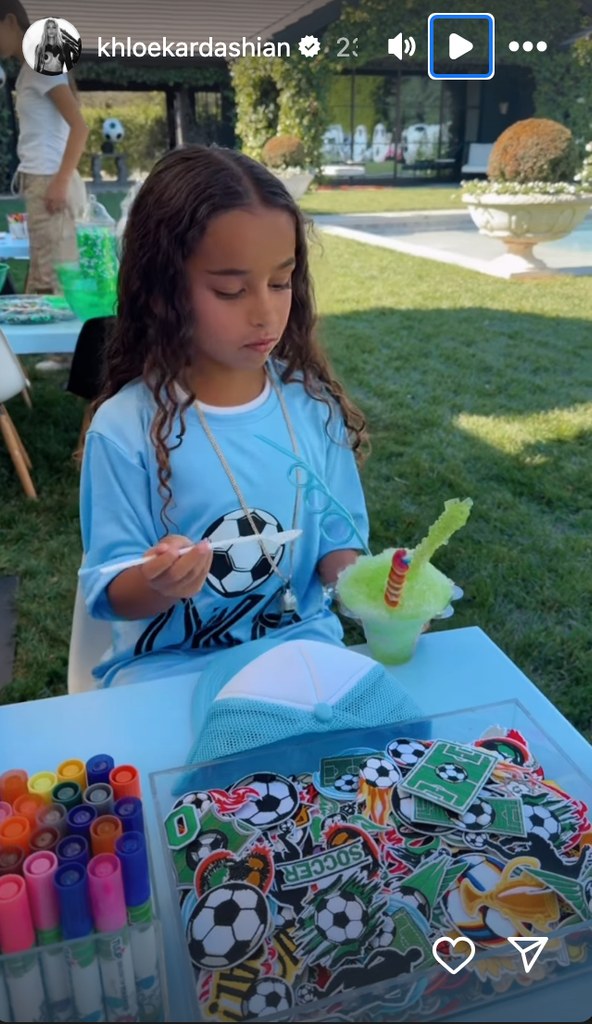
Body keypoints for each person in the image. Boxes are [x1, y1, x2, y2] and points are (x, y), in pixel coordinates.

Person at [79, 144, 371, 690]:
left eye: (281, 282)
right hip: (169, 672)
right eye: (230, 290)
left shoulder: (310, 406)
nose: (264, 312)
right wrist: (160, 580)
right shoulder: (124, 431)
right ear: (163, 292)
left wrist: (376, 590)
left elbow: (337, 541)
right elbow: (110, 589)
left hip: (301, 653)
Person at [0, 1, 88, 293]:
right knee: (41, 279)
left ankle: (60, 341)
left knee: (54, 285)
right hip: (42, 182)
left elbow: (80, 127)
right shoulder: (31, 69)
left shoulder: (41, 68)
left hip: (51, 183)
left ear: (10, 22)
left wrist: (60, 183)